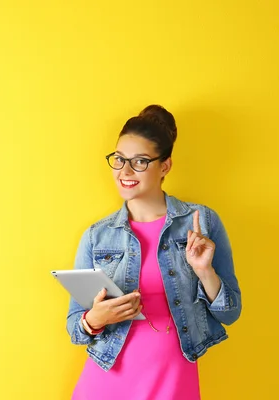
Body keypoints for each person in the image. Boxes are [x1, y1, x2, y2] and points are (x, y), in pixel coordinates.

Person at [66, 105, 242, 400]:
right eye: (119, 159)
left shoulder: (201, 223)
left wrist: (204, 271)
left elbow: (230, 313)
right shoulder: (96, 236)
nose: (125, 171)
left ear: (165, 166)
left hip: (172, 380)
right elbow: (75, 327)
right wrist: (94, 319)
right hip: (106, 379)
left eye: (139, 162)